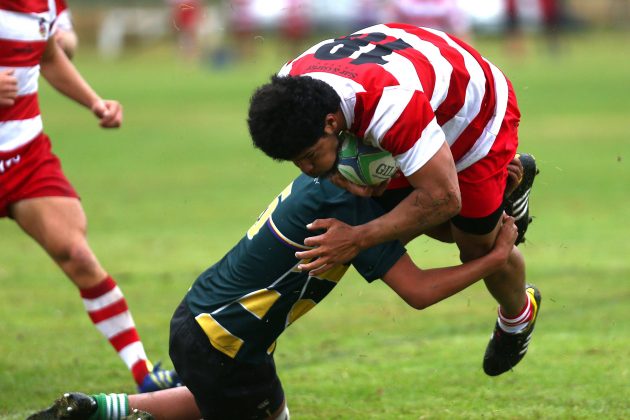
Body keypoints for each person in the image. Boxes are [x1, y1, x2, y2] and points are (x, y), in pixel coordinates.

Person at [28, 173, 522, 420]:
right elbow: (418, 290)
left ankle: (96, 409)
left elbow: (414, 218)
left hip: (201, 320)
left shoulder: (326, 179)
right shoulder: (352, 212)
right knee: (240, 401)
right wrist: (494, 257)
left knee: (217, 400)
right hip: (227, 344)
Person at [247, 22, 541, 377]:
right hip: (414, 86)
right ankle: (503, 194)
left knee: (476, 247)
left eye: (309, 156)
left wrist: (358, 238)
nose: (306, 170)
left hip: (473, 115)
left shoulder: (389, 107)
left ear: (330, 123)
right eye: (295, 162)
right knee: (417, 216)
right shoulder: (289, 89)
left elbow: (444, 200)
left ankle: (517, 317)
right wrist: (334, 173)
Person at [0, 0, 179, 392]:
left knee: (77, 254)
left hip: (24, 156)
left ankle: (144, 374)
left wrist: (94, 101)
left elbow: (49, 56)